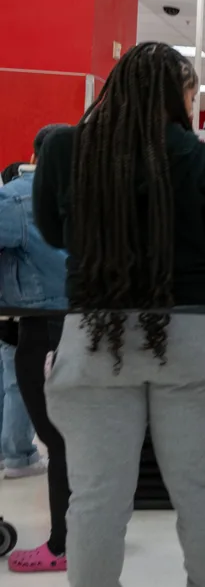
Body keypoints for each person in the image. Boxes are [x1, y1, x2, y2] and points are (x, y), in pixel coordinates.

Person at [33, 41, 205, 587]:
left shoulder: (64, 150)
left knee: (97, 495)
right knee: (201, 488)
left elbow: (54, 235)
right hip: (188, 336)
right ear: (183, 95)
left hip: (94, 333)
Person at [0, 133, 73, 573]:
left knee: (57, 440)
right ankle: (91, 531)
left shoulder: (18, 197)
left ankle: (62, 545)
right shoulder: (99, 195)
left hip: (41, 330)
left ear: (33, 158)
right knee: (82, 441)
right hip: (93, 328)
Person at [0, 160, 47, 483]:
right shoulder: (30, 204)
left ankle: (10, 451)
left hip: (10, 308)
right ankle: (17, 453)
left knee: (9, 383)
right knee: (18, 386)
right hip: (31, 311)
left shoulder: (10, 203)